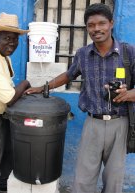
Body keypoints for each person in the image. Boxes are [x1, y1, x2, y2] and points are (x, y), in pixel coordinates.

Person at [25, 3, 135, 193]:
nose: (97, 29)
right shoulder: (83, 54)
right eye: (91, 25)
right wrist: (43, 87)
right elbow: (69, 75)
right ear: (87, 27)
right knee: (83, 179)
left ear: (111, 23)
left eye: (102, 23)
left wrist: (130, 94)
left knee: (114, 180)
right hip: (93, 123)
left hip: (120, 123)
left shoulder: (128, 52)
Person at [0, 12, 30, 193]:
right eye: (7, 38)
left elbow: (8, 88)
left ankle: (3, 187)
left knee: (6, 157)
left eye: (15, 39)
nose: (12, 43)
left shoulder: (3, 57)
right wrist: (26, 83)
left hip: (2, 116)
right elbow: (10, 97)